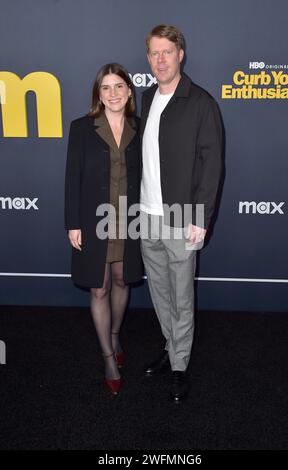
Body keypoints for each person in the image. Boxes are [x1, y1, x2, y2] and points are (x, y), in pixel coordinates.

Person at [140, 25, 223, 402]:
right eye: (154, 53)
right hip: (146, 215)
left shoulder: (201, 102)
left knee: (182, 295)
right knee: (159, 293)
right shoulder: (146, 99)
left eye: (167, 52)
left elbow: (211, 167)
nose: (160, 60)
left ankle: (180, 365)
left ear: (181, 55)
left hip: (183, 217)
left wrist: (200, 220)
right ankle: (171, 346)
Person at [65, 63, 142, 395]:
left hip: (130, 218)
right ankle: (109, 357)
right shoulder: (82, 128)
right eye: (106, 88)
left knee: (123, 279)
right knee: (99, 287)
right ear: (99, 93)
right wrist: (73, 223)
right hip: (94, 218)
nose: (113, 94)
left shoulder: (141, 127)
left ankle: (114, 333)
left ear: (129, 91)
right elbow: (73, 178)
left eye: (119, 87)